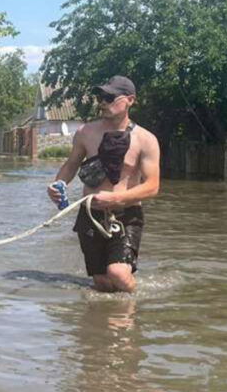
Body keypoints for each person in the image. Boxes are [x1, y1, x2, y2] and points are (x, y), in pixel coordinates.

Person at [47, 76, 160, 293]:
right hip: (90, 215)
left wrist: (116, 198)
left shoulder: (146, 140)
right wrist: (57, 185)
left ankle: (132, 315)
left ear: (130, 100)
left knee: (118, 274)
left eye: (109, 97)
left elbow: (152, 186)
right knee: (102, 282)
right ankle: (102, 322)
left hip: (126, 215)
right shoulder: (85, 133)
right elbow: (71, 165)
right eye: (100, 97)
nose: (102, 102)